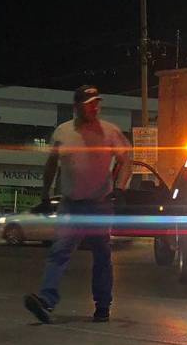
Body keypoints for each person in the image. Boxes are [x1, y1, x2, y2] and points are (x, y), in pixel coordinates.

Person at [24, 85, 132, 323]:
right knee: (59, 252)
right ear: (77, 107)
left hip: (100, 206)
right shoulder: (63, 132)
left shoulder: (109, 132)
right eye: (90, 103)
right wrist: (45, 194)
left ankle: (103, 306)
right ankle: (46, 302)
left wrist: (121, 188)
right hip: (71, 205)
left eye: (97, 102)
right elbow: (51, 164)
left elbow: (126, 160)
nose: (95, 107)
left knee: (102, 255)